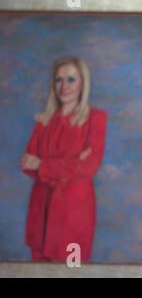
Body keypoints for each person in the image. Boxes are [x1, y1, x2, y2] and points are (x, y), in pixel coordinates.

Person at [21, 56, 107, 262]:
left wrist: (43, 165)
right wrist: (70, 167)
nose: (64, 86)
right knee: (39, 273)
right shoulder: (44, 120)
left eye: (71, 79)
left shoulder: (95, 118)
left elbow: (89, 166)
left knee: (72, 270)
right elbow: (27, 165)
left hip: (73, 211)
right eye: (59, 80)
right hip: (41, 208)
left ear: (83, 83)